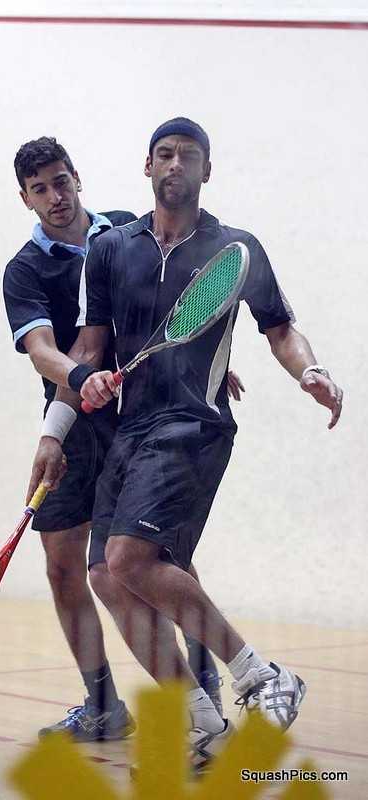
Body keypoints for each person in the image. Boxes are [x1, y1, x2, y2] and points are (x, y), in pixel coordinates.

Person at [47, 117, 343, 771]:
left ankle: (261, 676)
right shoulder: (110, 250)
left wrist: (311, 371)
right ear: (147, 167)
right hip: (131, 430)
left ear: (207, 170)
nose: (175, 163)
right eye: (164, 154)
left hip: (194, 425)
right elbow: (90, 348)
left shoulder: (235, 249)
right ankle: (200, 723)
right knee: (105, 576)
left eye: (188, 155)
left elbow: (280, 330)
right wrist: (65, 414)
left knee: (129, 558)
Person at [2, 135, 234, 742]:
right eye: (40, 189)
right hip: (75, 421)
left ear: (77, 177)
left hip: (141, 418)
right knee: (64, 568)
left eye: (61, 181)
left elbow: (173, 312)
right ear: (26, 199)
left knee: (157, 559)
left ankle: (205, 689)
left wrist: (206, 361)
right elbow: (43, 351)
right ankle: (103, 705)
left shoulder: (130, 232)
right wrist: (66, 410)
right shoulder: (24, 271)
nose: (55, 196)